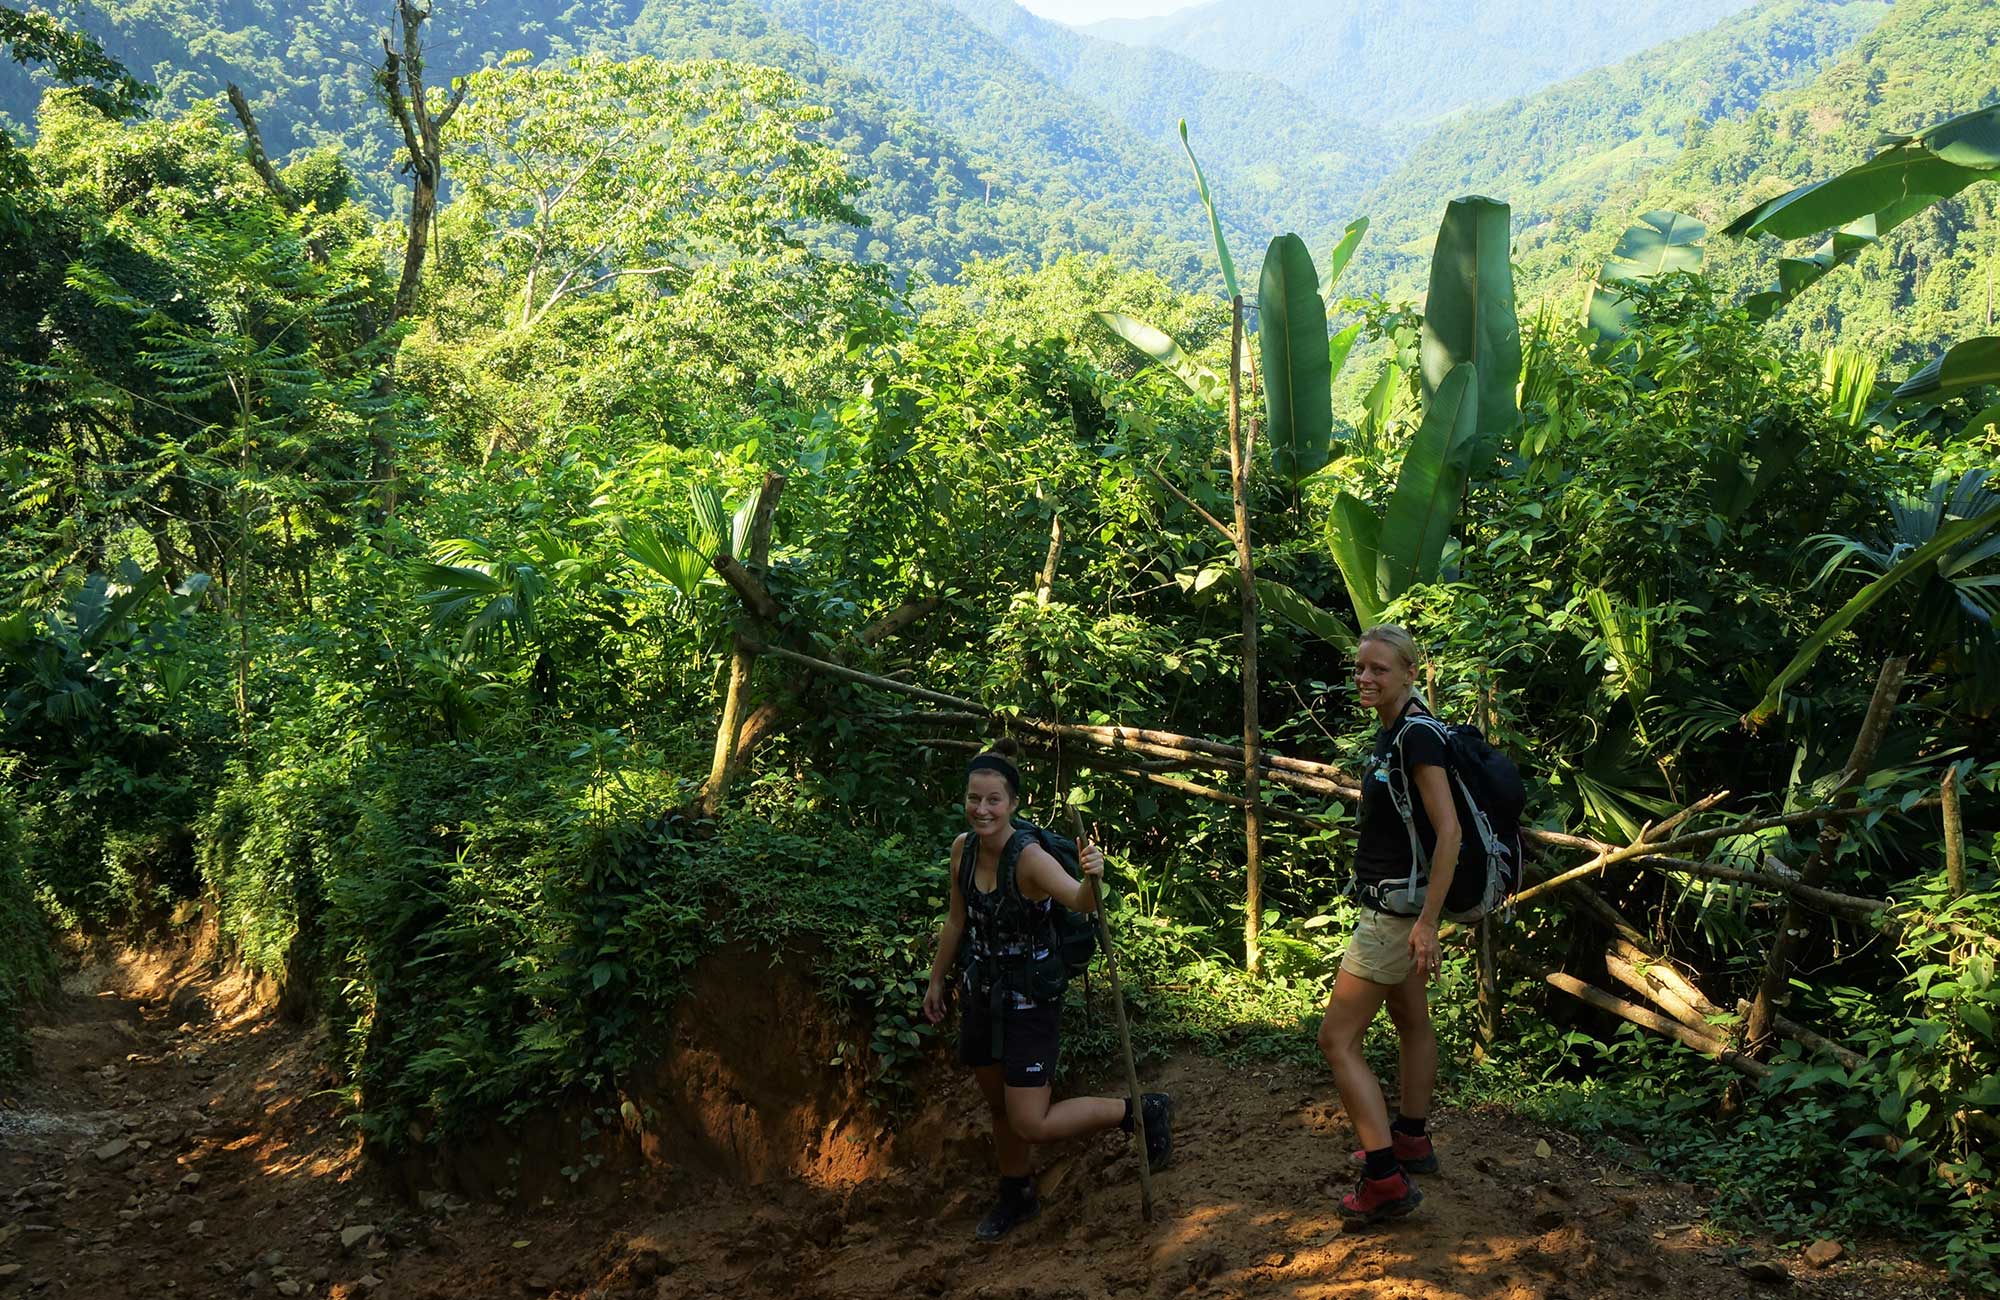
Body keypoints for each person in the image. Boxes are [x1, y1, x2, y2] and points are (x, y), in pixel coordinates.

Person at [922, 738, 1174, 1241]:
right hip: (981, 996)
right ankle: (1017, 1194)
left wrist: (1093, 876)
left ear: (1013, 803)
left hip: (1030, 1002)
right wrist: (936, 979)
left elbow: (1081, 902)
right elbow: (956, 920)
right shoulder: (962, 851)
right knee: (999, 1108)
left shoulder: (1030, 858)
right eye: (974, 798)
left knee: (1030, 1121)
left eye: (993, 799)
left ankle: (1138, 1111)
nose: (982, 809)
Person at [1319, 625, 1461, 1223]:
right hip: (1400, 911)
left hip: (1395, 917)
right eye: (1359, 668)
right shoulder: (1398, 732)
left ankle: (1384, 1180)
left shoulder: (1416, 739)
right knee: (1409, 1019)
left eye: (1379, 669)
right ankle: (1410, 1138)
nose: (1365, 678)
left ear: (1409, 672)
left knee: (1337, 1040)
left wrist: (1427, 922)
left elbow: (1449, 831)